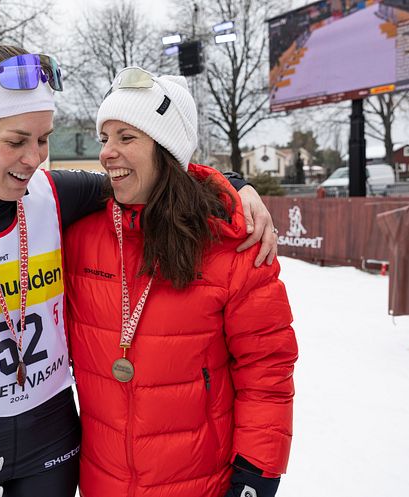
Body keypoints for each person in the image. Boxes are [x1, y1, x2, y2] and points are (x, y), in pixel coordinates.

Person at [0, 47, 277, 497]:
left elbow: (159, 172)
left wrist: (234, 185)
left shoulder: (54, 195)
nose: (34, 159)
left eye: (43, 139)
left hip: (52, 445)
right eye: (16, 141)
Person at [63, 67, 298, 497]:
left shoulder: (233, 242)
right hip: (103, 483)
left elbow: (267, 370)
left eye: (126, 138)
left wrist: (256, 476)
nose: (106, 153)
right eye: (105, 138)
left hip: (201, 483)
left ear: (166, 149)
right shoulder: (79, 237)